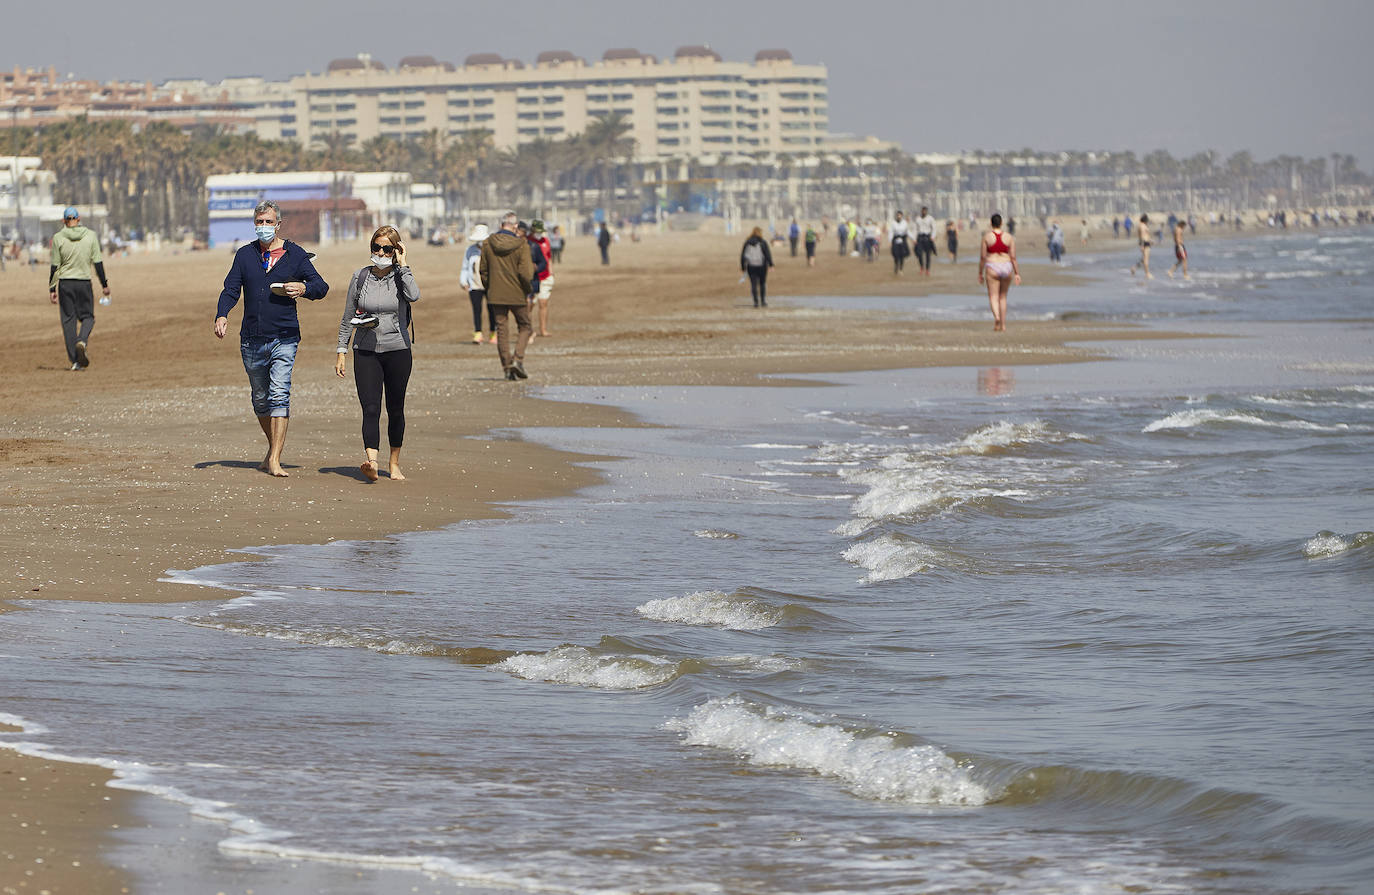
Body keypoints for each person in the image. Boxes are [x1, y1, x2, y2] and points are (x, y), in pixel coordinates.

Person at [214, 200, 329, 477]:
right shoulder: (244, 255)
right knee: (261, 399)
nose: (264, 227)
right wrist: (222, 314)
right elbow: (231, 289)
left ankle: (275, 459)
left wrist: (303, 287)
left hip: (285, 336)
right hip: (251, 338)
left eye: (269, 222)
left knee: (279, 394)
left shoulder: (295, 255)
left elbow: (321, 286)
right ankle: (272, 448)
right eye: (259, 222)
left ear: (278, 224)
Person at [335, 226, 419, 483]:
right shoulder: (360, 277)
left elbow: (414, 296)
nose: (381, 252)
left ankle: (394, 463)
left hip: (398, 350)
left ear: (396, 250)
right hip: (366, 350)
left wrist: (403, 265)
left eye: (387, 248)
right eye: (376, 247)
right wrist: (341, 350)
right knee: (370, 408)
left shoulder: (401, 276)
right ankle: (372, 462)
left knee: (396, 409)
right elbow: (348, 316)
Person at [48, 206, 109, 370]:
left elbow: (55, 266)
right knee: (88, 317)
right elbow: (97, 263)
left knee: (68, 321)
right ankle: (82, 340)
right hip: (83, 282)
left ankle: (75, 361)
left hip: (65, 284)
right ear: (79, 219)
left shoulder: (58, 238)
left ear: (64, 221)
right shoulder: (90, 236)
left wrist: (52, 289)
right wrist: (104, 284)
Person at [480, 212, 535, 380]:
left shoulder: (488, 243)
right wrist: (527, 290)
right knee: (526, 326)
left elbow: (483, 271)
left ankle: (506, 366)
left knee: (501, 330)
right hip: (517, 293)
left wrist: (490, 288)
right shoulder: (522, 244)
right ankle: (517, 359)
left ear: (501, 224)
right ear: (515, 226)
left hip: (496, 294)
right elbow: (526, 274)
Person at [979, 213, 1020, 332]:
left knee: (993, 296)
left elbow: (983, 257)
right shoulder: (1008, 237)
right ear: (1001, 223)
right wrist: (1017, 273)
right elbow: (1013, 257)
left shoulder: (987, 237)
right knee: (1003, 297)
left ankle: (996, 317)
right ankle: (1003, 325)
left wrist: (980, 273)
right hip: (1006, 266)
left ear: (991, 223)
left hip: (992, 266)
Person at [460, 223, 493, 344]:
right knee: (477, 309)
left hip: (489, 285)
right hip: (474, 285)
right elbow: (464, 267)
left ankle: (493, 333)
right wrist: (463, 281)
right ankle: (478, 333)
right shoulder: (470, 250)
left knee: (492, 309)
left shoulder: (492, 249)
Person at [527, 219, 554, 337]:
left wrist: (551, 273)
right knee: (530, 305)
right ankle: (527, 329)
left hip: (545, 276)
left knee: (543, 303)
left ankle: (543, 329)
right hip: (533, 278)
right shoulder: (527, 242)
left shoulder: (545, 241)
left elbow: (548, 258)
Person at [740, 226, 774, 308]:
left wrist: (743, 267)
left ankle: (755, 302)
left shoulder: (747, 242)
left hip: (751, 266)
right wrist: (771, 264)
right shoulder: (763, 242)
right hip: (762, 266)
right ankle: (763, 301)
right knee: (762, 284)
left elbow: (743, 255)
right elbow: (767, 254)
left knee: (753, 284)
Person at [913, 206, 938, 275]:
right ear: (921, 211)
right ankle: (921, 267)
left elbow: (934, 228)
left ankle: (927, 269)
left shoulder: (930, 218)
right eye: (922, 211)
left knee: (928, 255)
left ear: (926, 211)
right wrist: (914, 239)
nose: (924, 212)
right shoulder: (917, 219)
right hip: (920, 238)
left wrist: (933, 237)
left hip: (928, 238)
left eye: (925, 211)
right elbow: (915, 229)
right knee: (919, 254)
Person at [1129, 213, 1153, 279]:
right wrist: (1142, 245)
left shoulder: (1143, 225)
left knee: (1143, 259)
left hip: (1146, 242)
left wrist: (1150, 240)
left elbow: (1146, 234)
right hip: (1144, 243)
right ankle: (1147, 274)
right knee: (1146, 259)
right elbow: (1142, 236)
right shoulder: (1142, 226)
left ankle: (1134, 268)